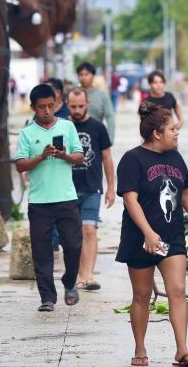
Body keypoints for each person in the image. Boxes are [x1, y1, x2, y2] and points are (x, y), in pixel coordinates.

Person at [116, 102, 188, 367]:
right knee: (142, 295)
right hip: (140, 239)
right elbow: (130, 200)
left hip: (172, 237)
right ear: (157, 133)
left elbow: (186, 194)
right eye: (172, 128)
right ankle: (140, 350)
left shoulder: (175, 158)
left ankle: (182, 350)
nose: (177, 132)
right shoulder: (132, 159)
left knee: (178, 291)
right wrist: (148, 233)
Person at [14, 84, 85, 312]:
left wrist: (63, 154)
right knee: (41, 250)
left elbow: (79, 156)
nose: (46, 111)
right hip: (39, 201)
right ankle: (47, 297)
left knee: (73, 245)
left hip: (66, 197)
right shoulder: (27, 133)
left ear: (57, 104)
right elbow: (20, 165)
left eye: (50, 106)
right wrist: (41, 157)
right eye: (41, 107)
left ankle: (69, 282)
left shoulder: (68, 126)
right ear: (33, 107)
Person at [66, 88, 115, 291]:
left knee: (89, 230)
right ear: (67, 105)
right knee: (73, 235)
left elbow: (107, 158)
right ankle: (79, 276)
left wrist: (111, 187)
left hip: (92, 187)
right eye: (73, 106)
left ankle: (89, 276)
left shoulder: (97, 127)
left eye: (81, 106)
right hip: (66, 189)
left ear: (87, 103)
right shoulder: (63, 127)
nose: (77, 110)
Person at [76, 62, 116, 142]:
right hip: (76, 136)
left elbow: (110, 116)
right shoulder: (73, 94)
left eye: (86, 74)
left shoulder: (102, 95)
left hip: (97, 137)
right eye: (81, 74)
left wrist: (110, 138)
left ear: (93, 75)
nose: (83, 77)